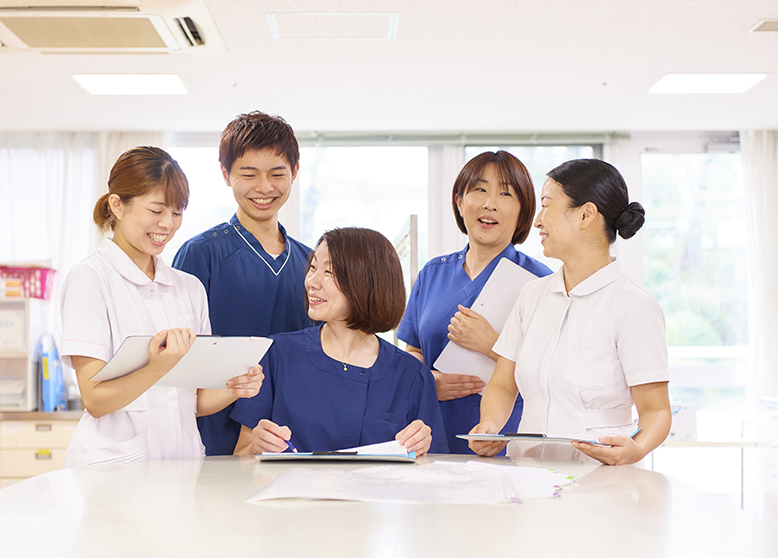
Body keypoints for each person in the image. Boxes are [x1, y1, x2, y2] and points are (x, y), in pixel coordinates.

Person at [60, 146, 264, 467]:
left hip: (181, 464)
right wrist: (157, 367)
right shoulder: (90, 278)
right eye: (156, 210)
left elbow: (191, 401)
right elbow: (95, 400)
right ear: (117, 205)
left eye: (177, 211)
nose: (167, 224)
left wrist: (234, 387)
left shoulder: (189, 288)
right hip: (114, 470)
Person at [469, 159, 671, 465]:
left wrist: (637, 447)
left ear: (586, 214)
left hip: (601, 481)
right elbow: (502, 385)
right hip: (529, 475)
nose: (537, 220)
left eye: (547, 204)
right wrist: (490, 426)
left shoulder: (634, 307)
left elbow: (657, 411)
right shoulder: (531, 296)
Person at [232, 227, 448, 456]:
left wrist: (421, 448)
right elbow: (241, 455)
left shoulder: (411, 375)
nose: (311, 282)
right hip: (293, 492)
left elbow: (432, 470)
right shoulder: (276, 356)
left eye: (329, 273)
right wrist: (256, 447)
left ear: (368, 283)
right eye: (313, 267)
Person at [173, 111, 315, 455]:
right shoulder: (200, 254)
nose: (264, 188)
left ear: (295, 173)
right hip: (215, 437)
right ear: (226, 174)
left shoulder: (311, 263)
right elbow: (179, 361)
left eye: (277, 174)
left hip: (291, 436)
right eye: (248, 174)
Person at [397, 151, 552, 454]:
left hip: (507, 435)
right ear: (459, 202)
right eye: (479, 190)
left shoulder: (541, 282)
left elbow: (551, 370)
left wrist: (491, 344)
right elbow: (413, 349)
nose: (489, 203)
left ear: (523, 212)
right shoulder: (432, 273)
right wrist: (424, 381)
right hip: (431, 434)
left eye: (505, 193)